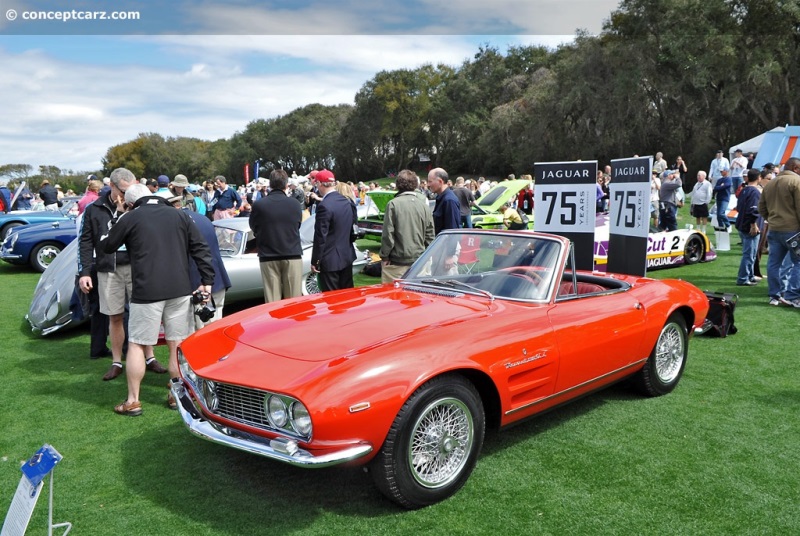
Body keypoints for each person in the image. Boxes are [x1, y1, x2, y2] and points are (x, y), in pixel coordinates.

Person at [102, 182, 214, 416]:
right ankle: (176, 394)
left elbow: (108, 245)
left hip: (147, 290)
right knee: (176, 342)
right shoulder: (179, 216)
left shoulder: (131, 217)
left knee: (136, 343)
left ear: (131, 203)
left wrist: (122, 215)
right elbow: (200, 248)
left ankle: (133, 400)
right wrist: (207, 280)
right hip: (179, 287)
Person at [79, 168, 167, 379]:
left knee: (144, 314)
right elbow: (85, 241)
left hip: (137, 267)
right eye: (125, 190)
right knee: (115, 316)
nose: (129, 194)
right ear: (113, 186)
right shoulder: (94, 209)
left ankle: (150, 357)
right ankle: (117, 361)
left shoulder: (138, 206)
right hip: (108, 269)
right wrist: (85, 271)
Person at [166, 194, 231, 332]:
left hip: (198, 283)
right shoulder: (204, 219)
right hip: (217, 279)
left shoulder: (178, 222)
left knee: (196, 332)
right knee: (215, 329)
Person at [249, 169, 304, 302]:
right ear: (286, 185)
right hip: (292, 254)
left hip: (268, 255)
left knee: (272, 300)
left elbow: (254, 227)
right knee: (293, 300)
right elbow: (297, 225)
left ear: (270, 185)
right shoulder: (295, 204)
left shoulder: (259, 205)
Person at [757, 157, 800, 307]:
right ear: (795, 168)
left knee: (773, 264)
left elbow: (761, 207)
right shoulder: (796, 182)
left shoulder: (770, 183)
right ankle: (792, 295)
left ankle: (774, 295)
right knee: (798, 262)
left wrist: (771, 218)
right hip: (793, 230)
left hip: (774, 229)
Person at [380, 169, 435, 283]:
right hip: (419, 262)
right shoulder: (423, 206)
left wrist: (384, 257)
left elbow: (388, 235)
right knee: (418, 297)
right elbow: (430, 235)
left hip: (398, 262)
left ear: (398, 185)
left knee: (395, 298)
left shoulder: (393, 204)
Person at [310, 169, 357, 291]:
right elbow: (352, 229)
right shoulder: (346, 201)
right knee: (347, 297)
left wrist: (316, 260)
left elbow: (320, 236)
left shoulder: (325, 205)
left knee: (332, 300)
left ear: (320, 183)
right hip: (346, 256)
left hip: (330, 260)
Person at [734, 168, 762, 286]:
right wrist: (753, 224)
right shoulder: (754, 192)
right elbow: (753, 210)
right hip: (748, 226)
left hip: (741, 223)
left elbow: (739, 208)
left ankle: (750, 275)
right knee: (749, 254)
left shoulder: (744, 190)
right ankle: (743, 278)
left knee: (752, 253)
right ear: (758, 178)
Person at [428, 168, 460, 235]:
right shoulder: (441, 198)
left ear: (440, 181)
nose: (428, 185)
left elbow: (452, 231)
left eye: (430, 181)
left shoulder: (449, 201)